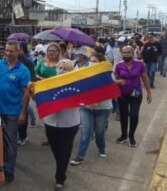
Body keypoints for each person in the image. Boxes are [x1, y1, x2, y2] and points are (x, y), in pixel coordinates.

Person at [34, 59, 80, 190]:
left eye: (64, 68)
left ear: (70, 70)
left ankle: (60, 177)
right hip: (51, 122)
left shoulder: (76, 84)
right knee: (56, 149)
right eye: (59, 67)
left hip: (69, 123)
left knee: (64, 150)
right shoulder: (49, 84)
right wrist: (33, 89)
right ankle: (62, 165)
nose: (61, 69)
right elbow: (38, 99)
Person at [0, 40, 30, 182]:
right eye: (6, 50)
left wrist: (23, 113)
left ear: (18, 52)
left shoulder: (23, 70)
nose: (8, 53)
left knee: (11, 142)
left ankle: (9, 170)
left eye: (11, 51)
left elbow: (26, 93)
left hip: (13, 112)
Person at [70, 53, 113, 165]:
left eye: (95, 61)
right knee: (86, 132)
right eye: (91, 61)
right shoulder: (84, 72)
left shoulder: (108, 74)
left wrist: (97, 101)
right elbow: (78, 87)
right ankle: (80, 155)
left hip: (103, 108)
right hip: (86, 108)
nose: (92, 63)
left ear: (101, 63)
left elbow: (110, 91)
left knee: (99, 131)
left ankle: (101, 148)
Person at [115, 46, 152, 147]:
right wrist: (118, 82)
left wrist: (149, 92)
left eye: (128, 52)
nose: (126, 54)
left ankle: (131, 136)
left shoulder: (140, 64)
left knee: (134, 114)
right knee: (123, 115)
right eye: (124, 52)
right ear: (122, 54)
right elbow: (115, 80)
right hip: (122, 94)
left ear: (132, 53)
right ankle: (123, 135)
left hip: (136, 94)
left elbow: (145, 78)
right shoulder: (119, 65)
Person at [35, 42, 61, 146]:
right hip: (44, 92)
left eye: (54, 51)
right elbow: (35, 73)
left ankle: (58, 136)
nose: (51, 53)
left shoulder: (61, 63)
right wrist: (41, 79)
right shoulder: (42, 62)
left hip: (57, 93)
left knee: (57, 115)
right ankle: (48, 137)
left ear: (58, 52)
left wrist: (49, 81)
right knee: (46, 114)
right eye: (49, 50)